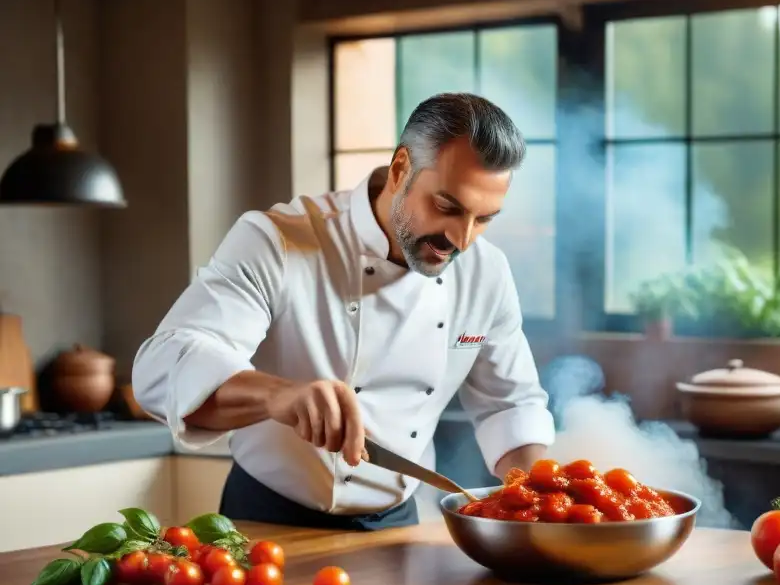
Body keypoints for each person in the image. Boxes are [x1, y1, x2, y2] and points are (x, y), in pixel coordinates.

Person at [132, 93, 554, 531]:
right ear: (400, 170)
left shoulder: (487, 273)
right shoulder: (278, 241)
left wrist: (541, 501)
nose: (462, 239)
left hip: (397, 527)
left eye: (484, 218)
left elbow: (510, 404)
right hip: (267, 521)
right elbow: (160, 367)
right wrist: (279, 396)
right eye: (447, 207)